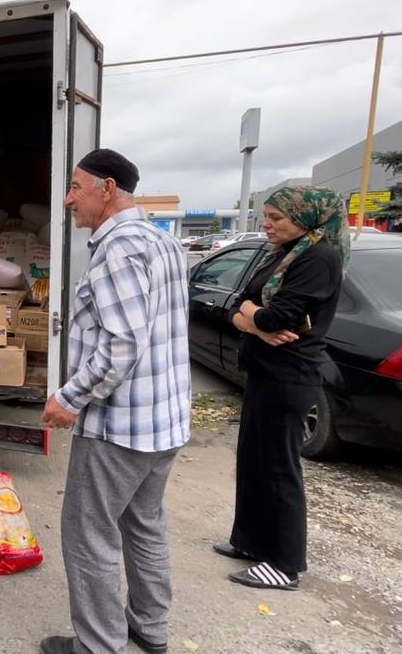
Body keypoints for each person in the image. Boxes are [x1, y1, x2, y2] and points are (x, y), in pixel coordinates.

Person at [39, 149, 191, 654]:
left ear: (107, 189)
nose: (67, 200)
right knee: (144, 524)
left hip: (119, 428)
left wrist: (69, 398)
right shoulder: (162, 243)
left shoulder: (118, 250)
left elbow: (121, 346)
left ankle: (98, 647)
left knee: (89, 536)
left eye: (75, 188)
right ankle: (149, 628)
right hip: (164, 422)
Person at [217, 186, 348, 591]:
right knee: (254, 461)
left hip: (290, 378)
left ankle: (284, 564)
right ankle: (251, 541)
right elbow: (238, 301)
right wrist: (251, 318)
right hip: (264, 372)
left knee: (278, 469)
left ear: (305, 217)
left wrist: (253, 317)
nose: (267, 224)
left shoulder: (319, 258)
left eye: (276, 217)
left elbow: (279, 320)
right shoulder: (285, 253)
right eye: (265, 216)